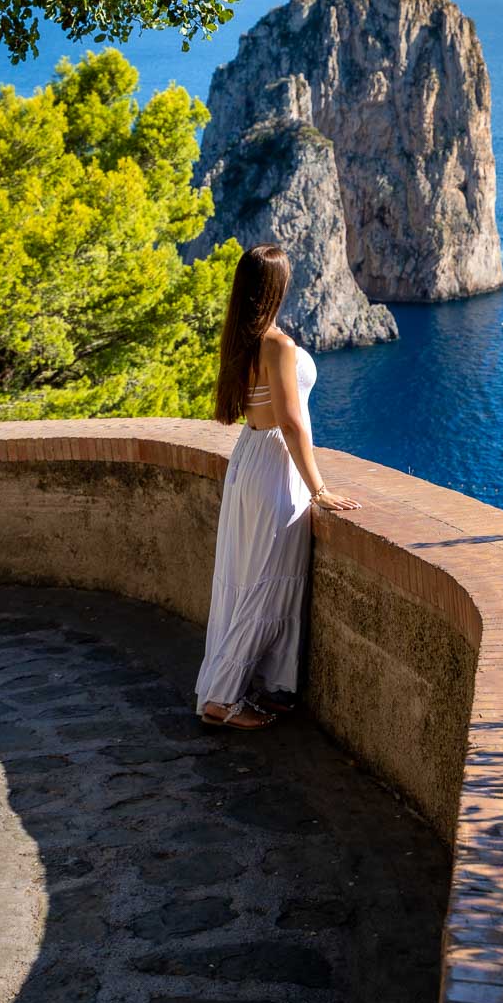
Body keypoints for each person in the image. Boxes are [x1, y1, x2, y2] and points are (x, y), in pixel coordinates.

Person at [196, 243, 360, 730]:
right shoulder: (279, 345)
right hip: (274, 467)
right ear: (277, 287)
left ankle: (255, 686)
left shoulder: (241, 339)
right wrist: (319, 489)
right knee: (267, 586)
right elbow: (292, 424)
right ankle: (222, 701)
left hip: (247, 460)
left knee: (245, 579)